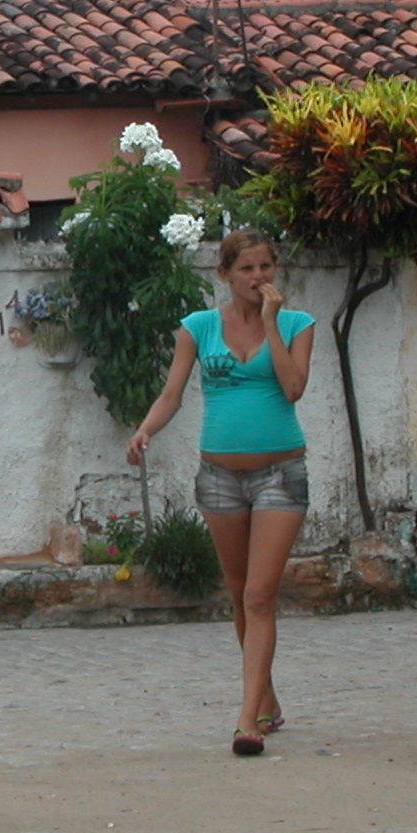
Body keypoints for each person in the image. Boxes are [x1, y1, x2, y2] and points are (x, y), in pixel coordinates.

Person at [126, 228, 316, 758]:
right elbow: (172, 394)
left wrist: (272, 324)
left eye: (265, 267)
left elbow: (294, 388)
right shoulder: (200, 327)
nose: (258, 277)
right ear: (225, 274)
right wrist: (144, 430)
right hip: (218, 478)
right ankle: (267, 699)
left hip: (280, 474)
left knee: (260, 595)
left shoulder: (297, 324)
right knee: (238, 594)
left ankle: (246, 719)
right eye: (246, 269)